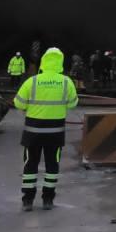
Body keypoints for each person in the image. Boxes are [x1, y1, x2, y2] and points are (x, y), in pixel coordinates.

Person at [13, 47, 78, 211]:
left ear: (43, 62)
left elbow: (18, 103)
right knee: (52, 167)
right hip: (55, 134)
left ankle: (27, 201)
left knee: (30, 166)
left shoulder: (32, 81)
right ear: (60, 63)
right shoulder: (66, 82)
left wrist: (30, 108)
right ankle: (48, 200)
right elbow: (73, 104)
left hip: (33, 133)